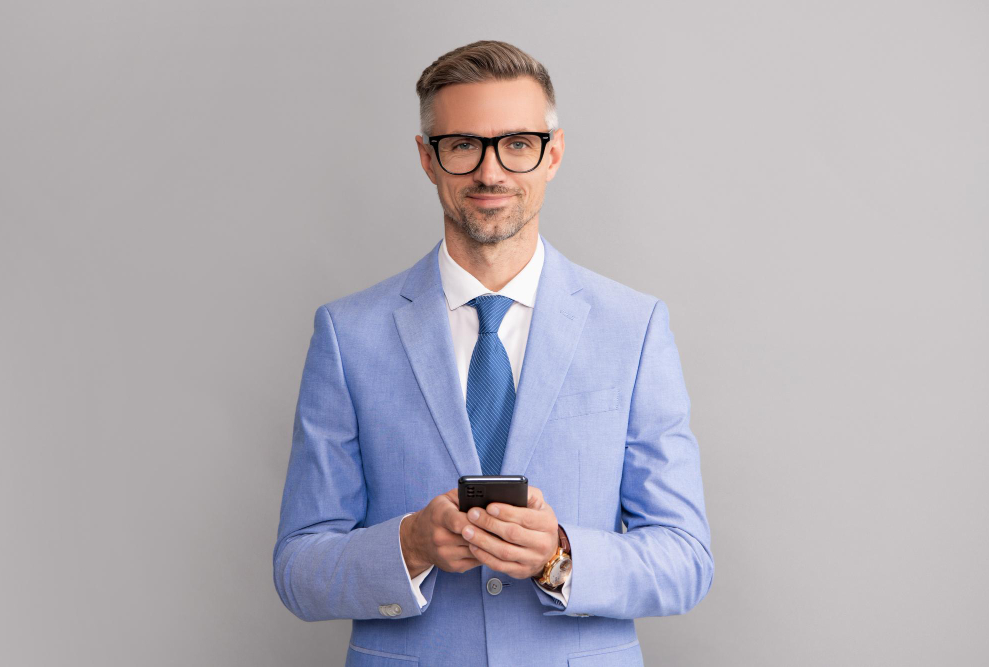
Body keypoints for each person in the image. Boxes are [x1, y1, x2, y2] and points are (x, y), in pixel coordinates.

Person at [272, 39, 714, 667]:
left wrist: (558, 557)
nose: (490, 171)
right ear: (428, 159)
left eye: (517, 144)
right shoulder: (349, 335)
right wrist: (409, 545)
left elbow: (686, 558)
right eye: (463, 146)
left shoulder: (633, 328)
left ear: (552, 153)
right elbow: (298, 567)